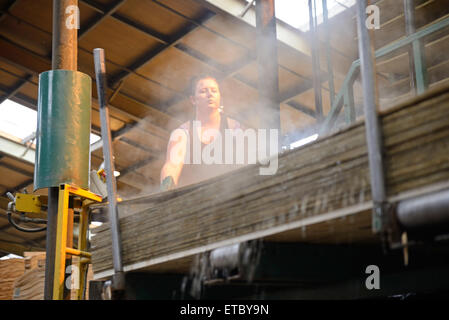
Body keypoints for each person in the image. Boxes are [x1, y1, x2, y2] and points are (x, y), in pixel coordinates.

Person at [160, 74, 245, 191]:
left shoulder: (234, 127)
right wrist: (166, 189)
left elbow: (247, 160)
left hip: (230, 194)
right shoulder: (183, 133)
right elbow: (172, 165)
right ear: (193, 100)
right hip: (193, 198)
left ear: (219, 96)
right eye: (203, 91)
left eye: (214, 91)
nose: (210, 94)